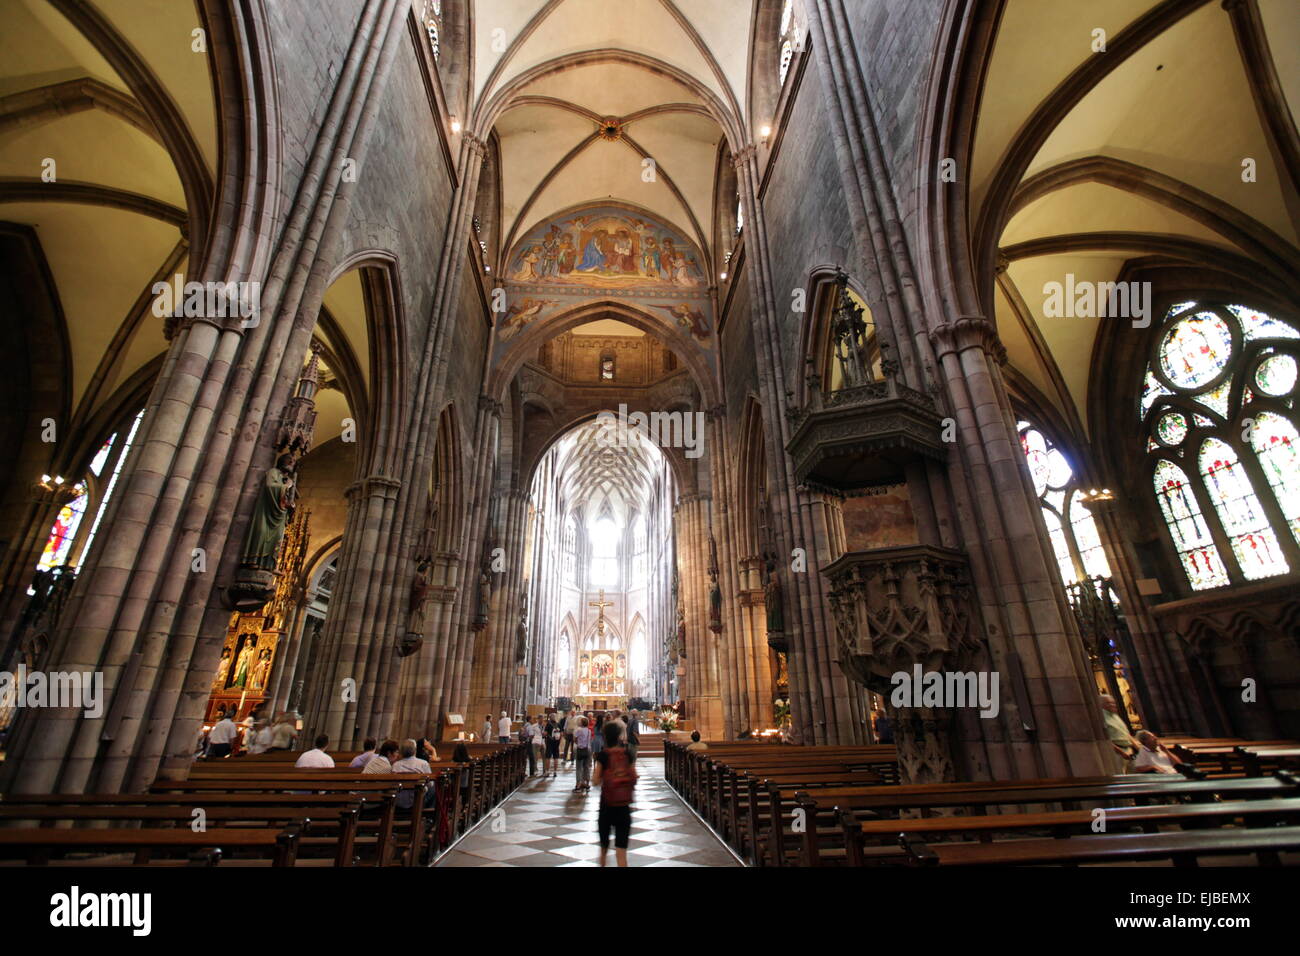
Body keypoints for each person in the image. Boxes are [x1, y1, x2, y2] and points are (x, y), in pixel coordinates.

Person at [592, 720, 637, 867]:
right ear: (619, 735)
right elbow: (634, 777)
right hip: (624, 806)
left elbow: (595, 780)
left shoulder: (603, 755)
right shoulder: (628, 753)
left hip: (607, 805)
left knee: (604, 849)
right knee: (621, 851)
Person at [1100, 694, 1139, 773]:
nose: (1112, 705)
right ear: (1100, 704)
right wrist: (1121, 752)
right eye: (1108, 703)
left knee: (1134, 776)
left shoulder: (1115, 715)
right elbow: (1104, 739)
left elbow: (1125, 733)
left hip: (1129, 751)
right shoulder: (1101, 717)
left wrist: (1137, 747)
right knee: (1120, 775)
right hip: (1117, 752)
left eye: (1113, 702)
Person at [573, 715, 593, 792]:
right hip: (588, 749)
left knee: (579, 768)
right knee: (586, 767)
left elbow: (575, 739)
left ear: (581, 723)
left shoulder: (579, 730)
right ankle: (587, 783)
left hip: (580, 749)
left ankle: (578, 784)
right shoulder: (589, 731)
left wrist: (579, 743)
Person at [544, 711, 562, 777]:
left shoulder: (548, 724)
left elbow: (545, 733)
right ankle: (555, 772)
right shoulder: (559, 724)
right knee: (556, 757)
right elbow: (561, 734)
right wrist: (559, 741)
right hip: (556, 742)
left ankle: (547, 771)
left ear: (550, 718)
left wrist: (544, 734)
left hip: (549, 742)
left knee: (548, 757)